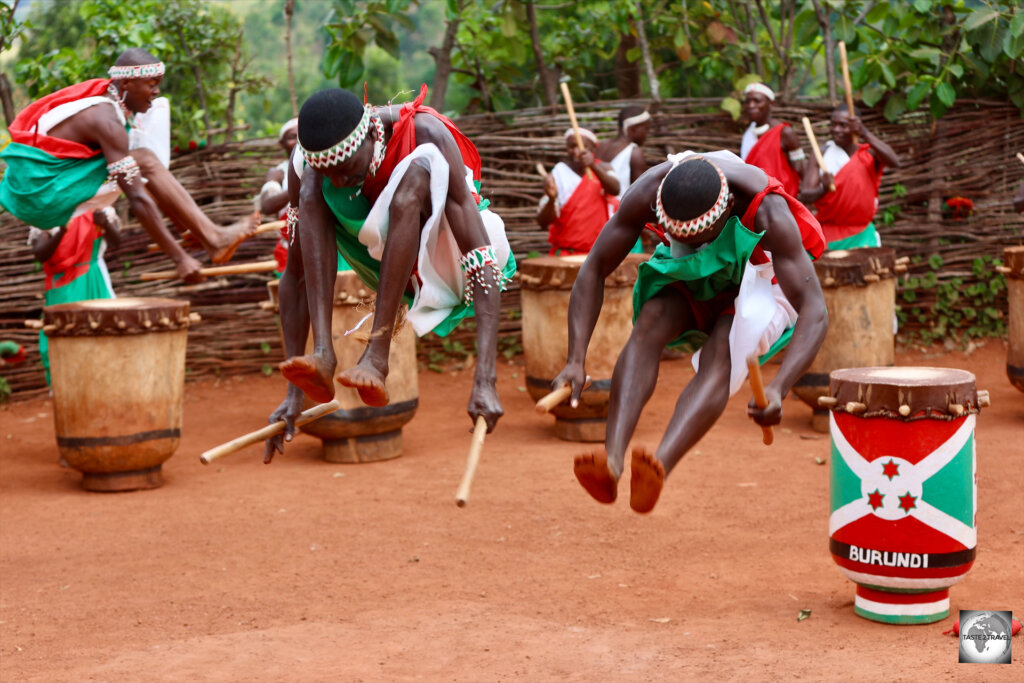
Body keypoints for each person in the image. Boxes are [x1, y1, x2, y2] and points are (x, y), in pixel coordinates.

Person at [553, 152, 827, 514]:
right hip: (693, 273)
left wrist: (778, 387)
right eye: (683, 236)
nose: (696, 243)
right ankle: (613, 459)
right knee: (651, 319)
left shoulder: (767, 210)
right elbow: (594, 268)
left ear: (728, 206)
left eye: (702, 237)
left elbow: (815, 310)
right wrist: (576, 359)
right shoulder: (651, 190)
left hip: (760, 275)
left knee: (723, 351)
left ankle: (660, 465)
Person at [265, 85, 515, 460]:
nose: (339, 182)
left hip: (454, 262)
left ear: (370, 136)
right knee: (309, 181)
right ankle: (323, 355)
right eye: (331, 173)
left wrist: (486, 379)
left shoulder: (426, 133)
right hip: (381, 258)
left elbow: (481, 260)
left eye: (346, 171)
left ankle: (376, 357)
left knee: (419, 169)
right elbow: (295, 273)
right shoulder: (312, 162)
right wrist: (293, 394)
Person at [0, 48, 257, 284]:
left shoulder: (107, 99)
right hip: (41, 195)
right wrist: (179, 258)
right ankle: (213, 238)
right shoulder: (107, 120)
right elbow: (137, 196)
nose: (156, 93)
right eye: (151, 85)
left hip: (43, 188)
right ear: (126, 83)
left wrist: (184, 230)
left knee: (144, 159)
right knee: (143, 160)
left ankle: (203, 234)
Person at [29, 208, 120, 384]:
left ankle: (105, 385)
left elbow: (116, 242)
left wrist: (105, 223)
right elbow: (40, 254)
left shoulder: (101, 208)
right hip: (62, 286)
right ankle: (66, 390)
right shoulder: (46, 211)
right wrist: (63, 230)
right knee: (61, 337)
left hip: (94, 279)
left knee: (103, 331)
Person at [800, 104, 901, 249]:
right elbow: (805, 195)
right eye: (833, 124)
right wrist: (824, 189)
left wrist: (864, 133)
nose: (836, 129)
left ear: (855, 127)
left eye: (843, 125)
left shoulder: (869, 153)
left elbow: (894, 162)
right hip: (828, 235)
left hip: (863, 233)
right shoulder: (821, 153)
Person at [537, 128, 620, 254]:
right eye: (571, 146)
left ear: (593, 148)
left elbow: (615, 189)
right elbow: (542, 222)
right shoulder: (558, 173)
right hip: (566, 253)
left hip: (598, 253)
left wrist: (593, 167)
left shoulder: (603, 168)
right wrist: (552, 199)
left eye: (582, 146)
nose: (576, 152)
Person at [739, 82, 815, 199]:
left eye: (757, 101)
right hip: (754, 199)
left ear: (770, 104)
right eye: (748, 101)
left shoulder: (785, 133)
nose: (751, 105)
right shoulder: (748, 134)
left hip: (781, 201)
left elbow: (800, 168)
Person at [258, 118, 299, 273]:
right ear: (281, 144)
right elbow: (267, 205)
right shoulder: (278, 173)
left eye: (301, 136)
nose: (297, 142)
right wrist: (299, 187)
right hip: (290, 246)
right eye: (291, 137)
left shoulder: (320, 166)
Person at [596, 105, 650, 200]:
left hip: (597, 208)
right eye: (645, 129)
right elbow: (640, 193)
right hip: (619, 212)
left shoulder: (601, 146)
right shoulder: (635, 153)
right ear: (633, 129)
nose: (647, 134)